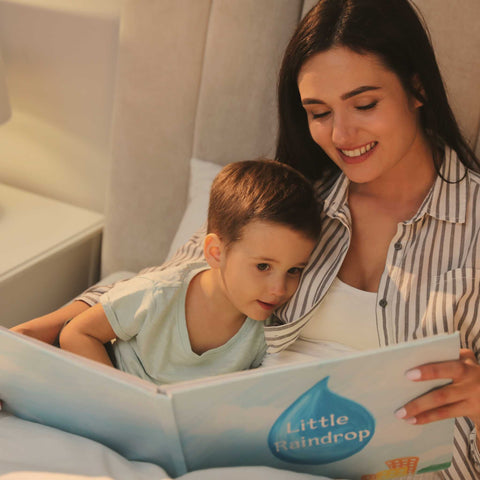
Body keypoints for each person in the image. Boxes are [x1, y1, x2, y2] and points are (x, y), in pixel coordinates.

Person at [11, 0, 480, 477]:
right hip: (240, 456)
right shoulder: (295, 200)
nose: (341, 134)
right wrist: (30, 339)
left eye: (364, 104)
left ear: (417, 86)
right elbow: (174, 281)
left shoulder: (475, 225)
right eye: (319, 112)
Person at [53, 159, 320, 385]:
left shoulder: (266, 332)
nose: (279, 289)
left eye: (294, 270)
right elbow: (76, 333)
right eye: (263, 266)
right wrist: (119, 401)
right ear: (216, 252)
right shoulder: (157, 293)